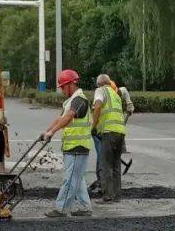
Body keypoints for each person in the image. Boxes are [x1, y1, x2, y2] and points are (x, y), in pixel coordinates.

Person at [42, 69, 93, 218]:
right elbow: (60, 119)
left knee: (70, 178)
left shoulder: (79, 100)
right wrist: (46, 131)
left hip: (78, 146)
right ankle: (85, 207)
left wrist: (52, 133)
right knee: (78, 178)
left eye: (64, 87)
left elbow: (68, 118)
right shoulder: (71, 101)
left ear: (71, 84)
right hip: (73, 147)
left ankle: (61, 208)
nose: (63, 90)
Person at [91, 73, 127, 202]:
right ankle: (117, 196)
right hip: (120, 132)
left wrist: (94, 126)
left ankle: (107, 196)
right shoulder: (115, 94)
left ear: (99, 84)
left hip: (108, 132)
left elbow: (98, 106)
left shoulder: (100, 91)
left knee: (105, 164)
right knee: (116, 165)